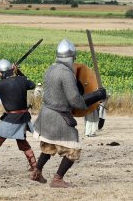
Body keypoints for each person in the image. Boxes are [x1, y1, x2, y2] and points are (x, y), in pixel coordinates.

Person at [30, 39, 106, 187]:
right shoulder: (66, 73)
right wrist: (97, 95)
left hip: (45, 114)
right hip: (59, 115)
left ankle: (36, 171)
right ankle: (58, 179)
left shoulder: (51, 69)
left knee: (50, 145)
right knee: (74, 148)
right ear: (72, 57)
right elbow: (75, 100)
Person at [0, 59, 37, 176]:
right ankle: (35, 166)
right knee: (22, 141)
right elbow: (31, 84)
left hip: (13, 119)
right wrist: (19, 72)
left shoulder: (0, 84)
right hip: (24, 118)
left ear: (0, 73)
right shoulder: (21, 80)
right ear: (12, 70)